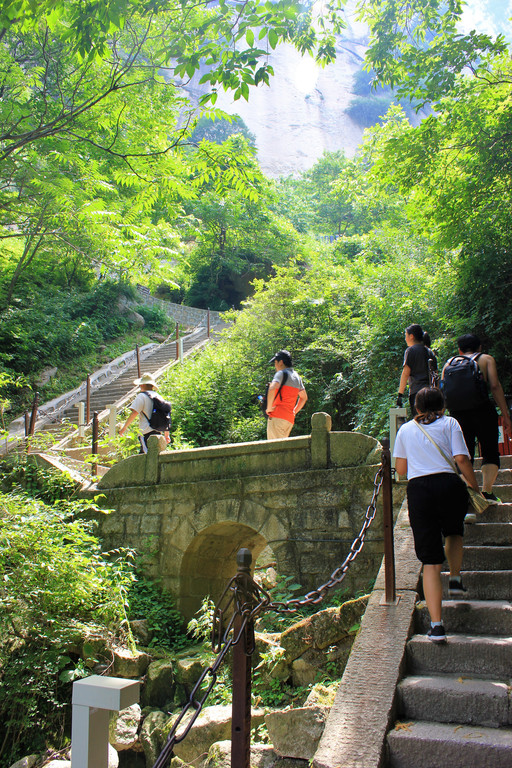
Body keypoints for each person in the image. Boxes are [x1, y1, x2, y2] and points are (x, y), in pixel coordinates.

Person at [393, 387, 482, 644]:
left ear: (417, 408)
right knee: (454, 531)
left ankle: (437, 626)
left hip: (419, 490)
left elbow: (401, 469)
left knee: (430, 560)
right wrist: (475, 488)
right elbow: (462, 459)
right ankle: (454, 577)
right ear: (442, 405)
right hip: (448, 484)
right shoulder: (450, 423)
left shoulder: (405, 429)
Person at [441, 334, 512, 502]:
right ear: (479, 347)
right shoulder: (486, 359)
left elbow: (442, 391)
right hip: (483, 411)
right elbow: (494, 386)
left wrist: (440, 418)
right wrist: (505, 415)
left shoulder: (448, 364)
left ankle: (469, 496)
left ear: (459, 350)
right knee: (489, 451)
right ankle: (487, 492)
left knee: (463, 454)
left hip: (458, 415)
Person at [119, 372, 170, 453]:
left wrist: (124, 428)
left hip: (146, 432)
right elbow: (165, 416)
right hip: (158, 432)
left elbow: (134, 413)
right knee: (155, 455)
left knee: (147, 455)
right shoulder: (159, 397)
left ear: (142, 385)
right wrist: (167, 434)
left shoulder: (142, 396)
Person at [266, 349, 307, 439]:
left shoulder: (281, 373)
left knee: (273, 446)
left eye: (275, 363)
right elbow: (304, 397)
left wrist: (269, 408)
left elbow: (272, 388)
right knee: (283, 446)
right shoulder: (297, 377)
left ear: (281, 362)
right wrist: (294, 412)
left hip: (277, 416)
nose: (275, 366)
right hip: (289, 420)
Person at [397, 324, 432, 415]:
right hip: (431, 392)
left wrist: (400, 394)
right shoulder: (429, 351)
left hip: (417, 392)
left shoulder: (410, 351)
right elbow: (435, 373)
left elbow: (405, 373)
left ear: (411, 336)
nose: (405, 339)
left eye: (406, 335)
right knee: (431, 419)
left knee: (419, 419)